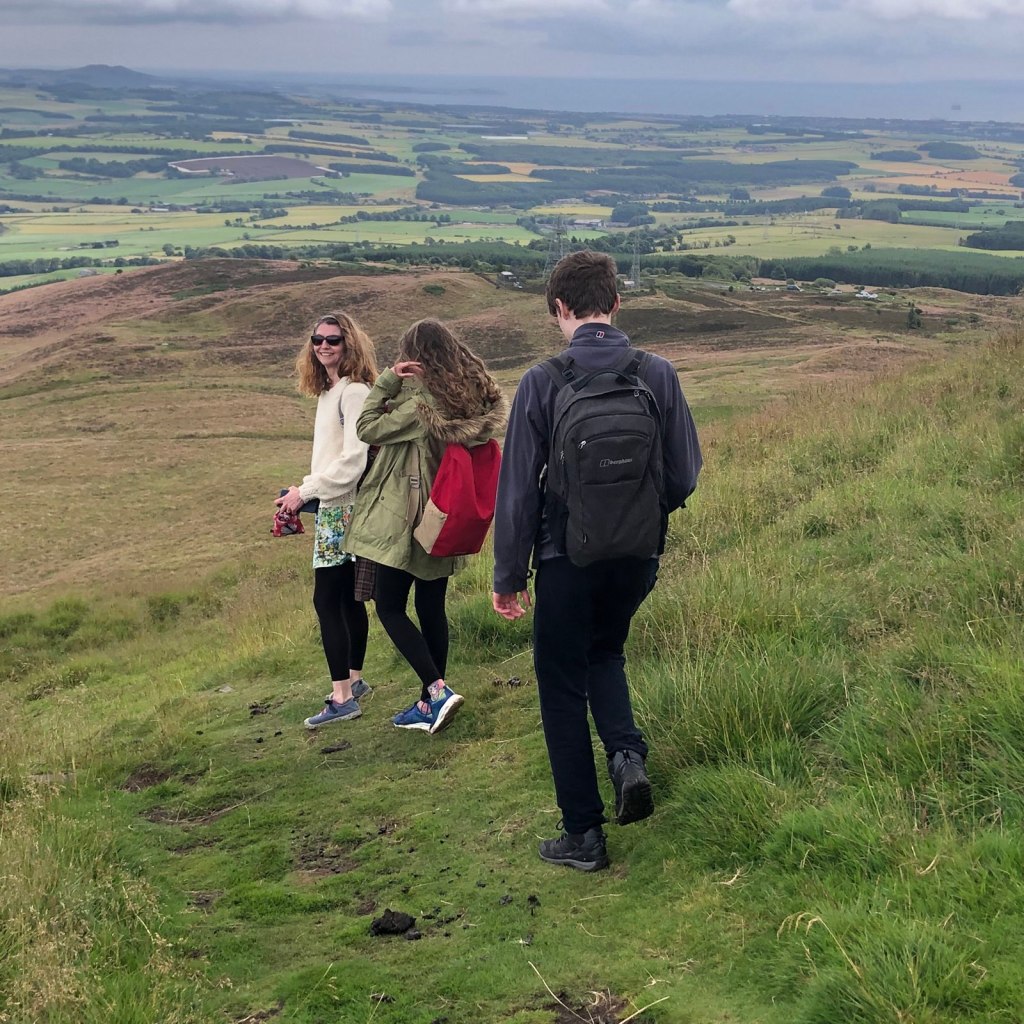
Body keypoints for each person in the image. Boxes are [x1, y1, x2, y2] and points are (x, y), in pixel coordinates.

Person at [492, 250, 702, 872]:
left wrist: (509, 578)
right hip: (637, 556)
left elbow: (517, 494)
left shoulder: (542, 381)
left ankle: (582, 834)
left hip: (565, 560)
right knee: (605, 652)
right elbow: (685, 475)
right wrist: (642, 515)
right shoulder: (657, 373)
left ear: (560, 309)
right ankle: (626, 758)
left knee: (560, 685)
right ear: (615, 302)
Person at [345, 319, 506, 734]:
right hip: (446, 515)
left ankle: (436, 692)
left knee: (390, 606)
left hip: (409, 517)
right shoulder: (470, 397)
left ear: (413, 356)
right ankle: (428, 700)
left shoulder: (421, 403)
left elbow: (365, 428)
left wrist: (386, 382)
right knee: (431, 606)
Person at [276, 312, 378, 729]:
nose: (323, 346)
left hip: (342, 508)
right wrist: (301, 492)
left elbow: (353, 460)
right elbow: (332, 457)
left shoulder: (353, 392)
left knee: (326, 600)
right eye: (317, 339)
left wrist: (308, 491)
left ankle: (341, 697)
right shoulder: (331, 391)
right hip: (334, 504)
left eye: (333, 340)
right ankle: (353, 681)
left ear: (349, 344)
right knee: (348, 599)